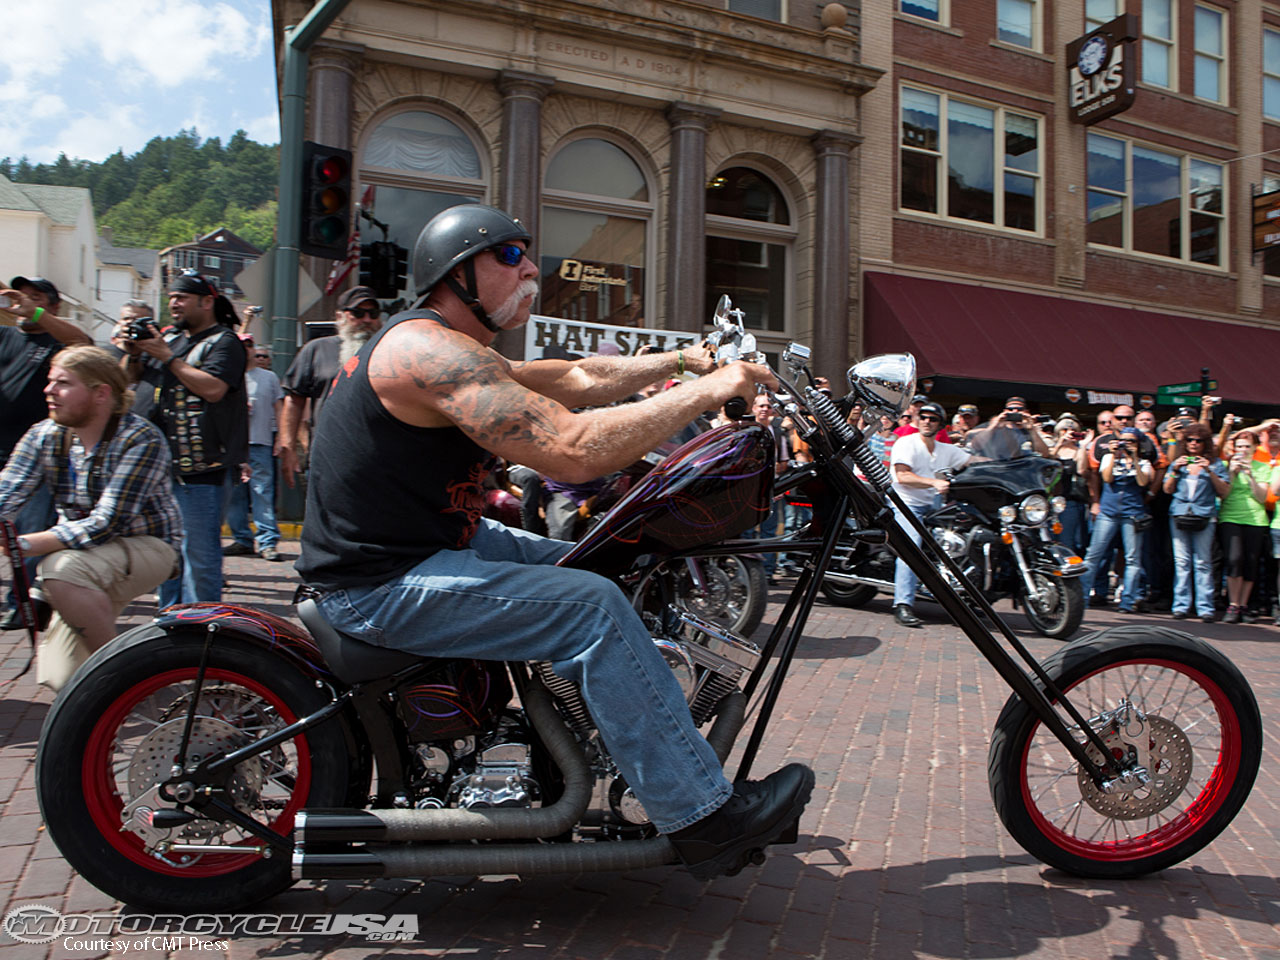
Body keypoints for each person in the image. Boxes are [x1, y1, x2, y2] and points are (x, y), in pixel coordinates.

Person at [295, 204, 813, 879]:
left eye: (526, 254)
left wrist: (687, 360)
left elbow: (579, 379)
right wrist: (710, 391)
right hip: (376, 585)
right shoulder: (425, 351)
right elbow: (570, 450)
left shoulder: (457, 350)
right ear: (457, 272)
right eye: (509, 256)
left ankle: (597, 745)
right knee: (592, 607)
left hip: (431, 545)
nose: (532, 267)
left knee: (605, 561)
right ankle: (701, 817)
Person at [0, 346, 181, 690]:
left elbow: (107, 523)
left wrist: (22, 543)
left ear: (101, 393)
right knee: (62, 678)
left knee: (58, 568)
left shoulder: (140, 437)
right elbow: (6, 491)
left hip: (149, 548)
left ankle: (129, 682)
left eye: (63, 383)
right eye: (50, 381)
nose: (48, 390)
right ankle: (129, 686)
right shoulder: (44, 434)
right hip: (84, 556)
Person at [113, 271, 247, 606]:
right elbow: (128, 381)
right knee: (166, 557)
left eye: (182, 297)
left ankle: (200, 629)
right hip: (160, 468)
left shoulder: (224, 342)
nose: (174, 304)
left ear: (207, 302)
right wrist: (133, 353)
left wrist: (167, 357)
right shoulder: (169, 338)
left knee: (199, 558)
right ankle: (170, 626)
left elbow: (214, 389)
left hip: (202, 470)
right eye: (172, 297)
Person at [0, 278, 92, 630]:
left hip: (39, 456)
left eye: (36, 298)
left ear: (53, 307)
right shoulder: (5, 335)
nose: (23, 302)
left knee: (29, 533)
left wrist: (33, 310)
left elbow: (83, 342)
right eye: (21, 295)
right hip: (3, 448)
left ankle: (22, 604)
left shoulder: (60, 343)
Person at [278, 286, 384, 487]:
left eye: (373, 314)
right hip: (327, 459)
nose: (367, 320)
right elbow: (294, 400)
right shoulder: (317, 349)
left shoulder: (389, 352)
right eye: (358, 313)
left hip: (378, 461)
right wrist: (289, 447)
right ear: (340, 316)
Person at [889, 401, 970, 627]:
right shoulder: (906, 442)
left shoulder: (946, 450)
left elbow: (974, 461)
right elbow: (902, 476)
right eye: (923, 417)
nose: (926, 421)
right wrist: (933, 482)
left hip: (934, 508)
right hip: (904, 504)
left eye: (932, 419)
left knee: (958, 540)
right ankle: (902, 604)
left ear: (940, 425)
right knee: (912, 546)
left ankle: (963, 597)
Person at [1078, 426, 1155, 614]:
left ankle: (1127, 601)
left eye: (1132, 441)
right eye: (1124, 441)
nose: (1127, 445)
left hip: (1132, 513)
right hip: (1109, 512)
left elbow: (1143, 482)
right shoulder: (1108, 457)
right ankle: (1083, 597)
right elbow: (1106, 477)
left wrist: (1134, 458)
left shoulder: (1144, 462)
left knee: (1132, 559)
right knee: (1093, 555)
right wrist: (1113, 454)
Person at [223, 337, 284, 561]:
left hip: (259, 442)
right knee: (234, 495)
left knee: (262, 493)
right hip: (231, 445)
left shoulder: (269, 378)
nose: (249, 351)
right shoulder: (226, 374)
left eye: (251, 346)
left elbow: (280, 408)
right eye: (244, 346)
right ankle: (242, 540)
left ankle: (267, 541)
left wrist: (280, 438)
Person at [1163, 423, 1229, 623]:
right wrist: (1175, 469)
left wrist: (1209, 470)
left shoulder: (1216, 464)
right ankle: (1181, 606)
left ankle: (1205, 608)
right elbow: (1167, 489)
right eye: (1190, 440)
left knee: (1203, 562)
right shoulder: (1178, 462)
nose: (1193, 444)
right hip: (1180, 514)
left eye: (1198, 441)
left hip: (1204, 515)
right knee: (1182, 562)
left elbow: (1224, 492)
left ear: (1205, 443)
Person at [1217, 430, 1270, 623]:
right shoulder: (1225, 465)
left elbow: (1262, 497)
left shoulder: (1262, 467)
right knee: (1234, 559)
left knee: (1250, 563)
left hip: (1255, 518)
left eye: (1247, 446)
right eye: (1239, 446)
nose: (1243, 450)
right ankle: (1233, 604)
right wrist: (1232, 472)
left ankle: (1244, 605)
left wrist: (1249, 475)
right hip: (1230, 516)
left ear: (1255, 448)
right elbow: (1223, 494)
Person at [741, 393, 792, 582]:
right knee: (746, 532)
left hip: (771, 490)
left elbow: (783, 463)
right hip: (748, 490)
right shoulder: (746, 431)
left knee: (769, 532)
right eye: (761, 406)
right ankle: (746, 574)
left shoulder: (778, 433)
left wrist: (771, 479)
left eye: (768, 406)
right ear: (753, 408)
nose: (764, 409)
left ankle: (768, 572)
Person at [1048, 416, 1090, 555]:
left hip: (1068, 502)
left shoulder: (1078, 451)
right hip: (1049, 501)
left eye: (1073, 430)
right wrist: (1060, 443)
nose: (1069, 432)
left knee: (1067, 542)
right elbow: (1046, 460)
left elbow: (1082, 470)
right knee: (1048, 540)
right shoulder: (1052, 448)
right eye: (1064, 430)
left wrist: (1083, 445)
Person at [967, 397, 1050, 459]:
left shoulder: (1031, 430)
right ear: (1004, 411)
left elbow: (1044, 454)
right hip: (995, 468)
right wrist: (993, 427)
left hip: (1021, 470)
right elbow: (976, 446)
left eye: (1019, 409)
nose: (1015, 412)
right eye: (1010, 409)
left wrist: (1031, 429)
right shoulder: (992, 426)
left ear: (1026, 412)